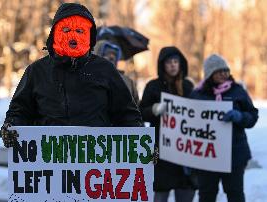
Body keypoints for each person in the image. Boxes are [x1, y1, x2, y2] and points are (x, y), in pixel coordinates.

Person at [0, 3, 143, 148]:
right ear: (55, 33)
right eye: (66, 29)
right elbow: (20, 110)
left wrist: (143, 144)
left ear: (89, 35)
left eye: (80, 30)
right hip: (48, 160)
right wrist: (11, 126)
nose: (73, 36)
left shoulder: (105, 70)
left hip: (96, 160)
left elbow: (126, 114)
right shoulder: (37, 71)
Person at [190, 54, 258, 202]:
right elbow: (188, 122)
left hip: (234, 155)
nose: (224, 74)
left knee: (235, 195)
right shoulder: (197, 94)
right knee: (206, 195)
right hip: (206, 156)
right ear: (209, 74)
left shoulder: (238, 91)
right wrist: (189, 157)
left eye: (226, 71)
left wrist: (240, 117)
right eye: (219, 71)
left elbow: (253, 116)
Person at [140, 46, 196, 202]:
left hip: (185, 147)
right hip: (160, 148)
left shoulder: (187, 86)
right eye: (169, 62)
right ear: (162, 65)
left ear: (181, 64)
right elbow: (141, 111)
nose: (173, 65)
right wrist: (154, 109)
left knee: (186, 190)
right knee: (160, 190)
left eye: (176, 62)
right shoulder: (153, 86)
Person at [94, 39, 140, 105]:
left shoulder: (127, 82)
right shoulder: (87, 79)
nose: (111, 60)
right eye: (107, 56)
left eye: (113, 57)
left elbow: (136, 108)